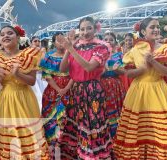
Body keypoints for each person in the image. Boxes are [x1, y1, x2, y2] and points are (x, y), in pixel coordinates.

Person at [114, 17, 167, 159]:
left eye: (157, 27)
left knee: (162, 130)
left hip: (158, 89)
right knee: (138, 129)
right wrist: (122, 71)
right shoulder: (135, 50)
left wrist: (153, 62)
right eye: (152, 27)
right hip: (138, 90)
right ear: (143, 32)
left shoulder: (165, 48)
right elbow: (131, 74)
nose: (156, 29)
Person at [0, 25, 49, 159]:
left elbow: (31, 81)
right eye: (2, 34)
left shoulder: (28, 55)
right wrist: (0, 78)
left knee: (25, 133)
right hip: (5, 100)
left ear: (18, 37)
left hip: (24, 100)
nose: (5, 36)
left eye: (9, 33)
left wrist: (18, 73)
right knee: (7, 135)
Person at [57, 16, 113, 159]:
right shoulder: (76, 46)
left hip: (93, 90)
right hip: (77, 90)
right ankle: (80, 153)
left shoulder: (102, 47)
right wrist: (69, 50)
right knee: (77, 124)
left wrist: (71, 48)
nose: (85, 32)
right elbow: (63, 69)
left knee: (92, 124)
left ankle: (93, 154)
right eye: (82, 29)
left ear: (95, 29)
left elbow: (89, 67)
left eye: (89, 28)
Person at [39, 32, 73, 158]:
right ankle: (51, 152)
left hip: (70, 91)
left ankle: (68, 152)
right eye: (58, 40)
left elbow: (76, 74)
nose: (61, 43)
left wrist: (67, 88)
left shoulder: (72, 55)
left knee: (68, 121)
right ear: (53, 43)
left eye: (63, 40)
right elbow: (47, 76)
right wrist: (59, 89)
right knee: (50, 123)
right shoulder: (48, 57)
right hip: (52, 93)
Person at [101, 31, 126, 138]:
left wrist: (117, 69)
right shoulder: (98, 55)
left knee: (118, 111)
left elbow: (123, 71)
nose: (108, 42)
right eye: (106, 39)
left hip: (116, 87)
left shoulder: (119, 55)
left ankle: (118, 135)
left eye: (111, 39)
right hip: (103, 87)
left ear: (115, 42)